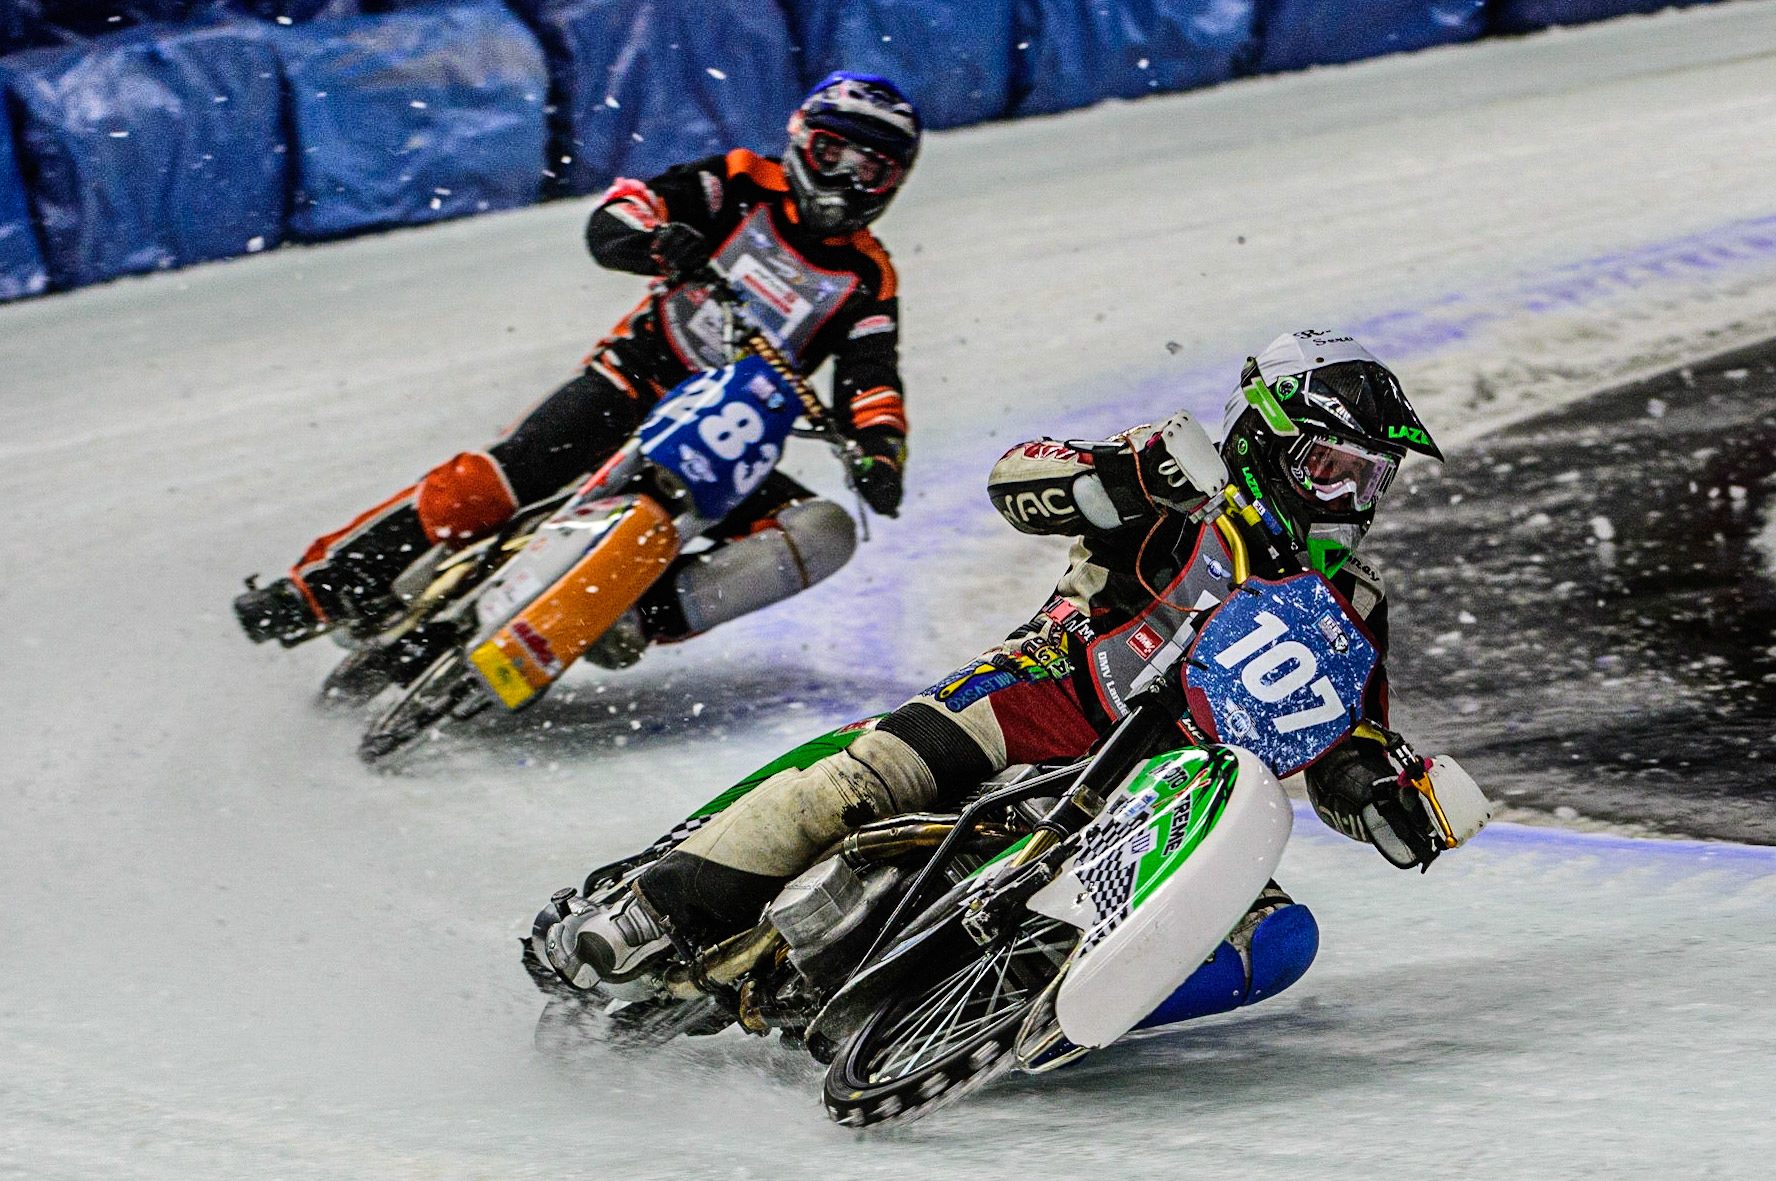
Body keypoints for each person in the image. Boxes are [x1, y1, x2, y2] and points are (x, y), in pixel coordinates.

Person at [542, 328, 1451, 1005]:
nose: (1352, 500)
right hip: (1038, 701)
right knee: (865, 779)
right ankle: (650, 912)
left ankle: (1024, 1004)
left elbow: (1341, 735)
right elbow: (1021, 477)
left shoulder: (1358, 609)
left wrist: (1381, 796)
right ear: (1263, 439)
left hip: (1168, 799)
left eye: (1370, 480)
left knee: (1279, 940)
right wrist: (1130, 475)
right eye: (1331, 469)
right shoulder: (1188, 494)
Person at [234, 72, 920, 674]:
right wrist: (654, 242)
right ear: (803, 143)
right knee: (498, 479)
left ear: (893, 185)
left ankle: (636, 611)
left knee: (824, 530)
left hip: (730, 444)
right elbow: (622, 212)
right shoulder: (738, 180)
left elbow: (871, 375)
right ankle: (320, 587)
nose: (844, 181)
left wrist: (880, 452)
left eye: (872, 170)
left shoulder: (868, 276)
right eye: (834, 154)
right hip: (635, 385)